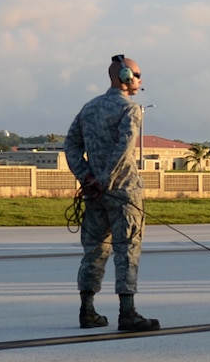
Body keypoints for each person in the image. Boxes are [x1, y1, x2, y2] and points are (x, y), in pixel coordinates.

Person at [64, 54, 159, 331]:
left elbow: (70, 145)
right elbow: (124, 148)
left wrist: (88, 178)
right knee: (127, 249)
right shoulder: (130, 110)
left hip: (95, 195)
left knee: (93, 251)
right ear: (126, 77)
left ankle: (87, 310)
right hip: (123, 193)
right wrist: (104, 180)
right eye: (138, 75)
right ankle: (127, 313)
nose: (140, 80)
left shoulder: (89, 108)